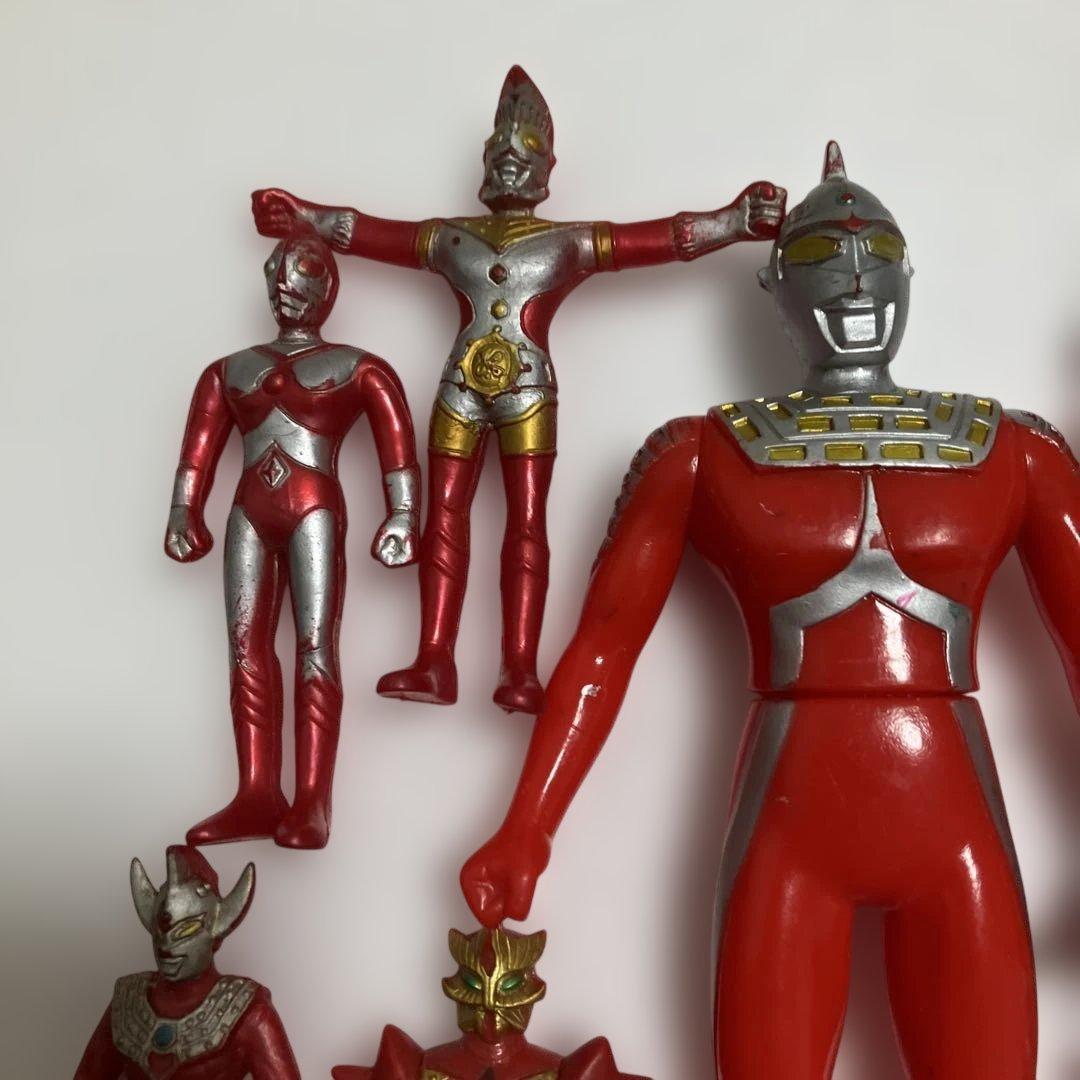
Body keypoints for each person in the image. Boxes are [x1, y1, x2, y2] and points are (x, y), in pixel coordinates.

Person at [461, 143, 1078, 1078]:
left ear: (910, 275)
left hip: (948, 825)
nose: (856, 280)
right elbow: (603, 651)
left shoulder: (1012, 450)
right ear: (776, 288)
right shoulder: (702, 455)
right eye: (825, 255)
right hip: (794, 828)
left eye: (877, 255)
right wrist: (527, 825)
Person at [252, 65, 784, 715]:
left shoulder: (565, 241)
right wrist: (304, 216)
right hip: (460, 385)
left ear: (546, 168)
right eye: (498, 150)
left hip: (527, 388)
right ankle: (435, 657)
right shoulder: (452, 237)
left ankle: (520, 667)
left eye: (524, 150)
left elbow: (658, 238)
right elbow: (373, 232)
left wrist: (732, 221)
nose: (508, 159)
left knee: (525, 521)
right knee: (444, 515)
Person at [166, 224, 419, 849]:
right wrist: (182, 511)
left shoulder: (358, 368)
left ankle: (311, 800)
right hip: (250, 512)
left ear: (328, 287)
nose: (285, 283)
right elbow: (198, 451)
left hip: (313, 511)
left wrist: (403, 514)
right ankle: (257, 791)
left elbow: (396, 445)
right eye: (277, 270)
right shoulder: (229, 370)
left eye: (302, 271)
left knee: (315, 646)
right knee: (244, 646)